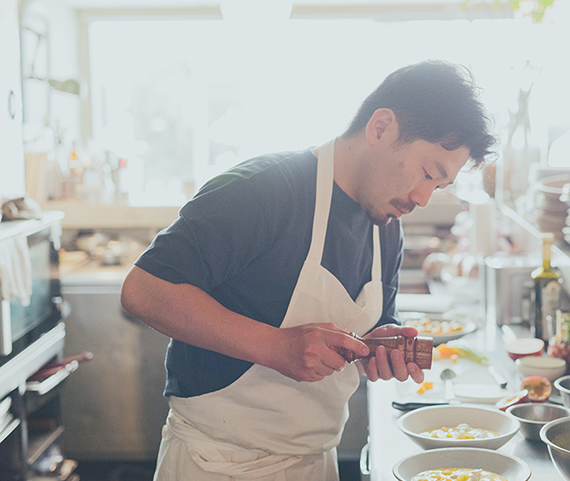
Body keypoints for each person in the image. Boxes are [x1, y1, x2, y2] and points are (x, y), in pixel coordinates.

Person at [120, 59, 496, 481]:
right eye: (428, 173)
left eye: (439, 186)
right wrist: (275, 346)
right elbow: (143, 290)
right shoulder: (262, 190)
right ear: (381, 128)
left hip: (315, 462)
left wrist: (377, 347)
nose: (423, 198)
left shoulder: (385, 229)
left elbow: (372, 324)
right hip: (217, 462)